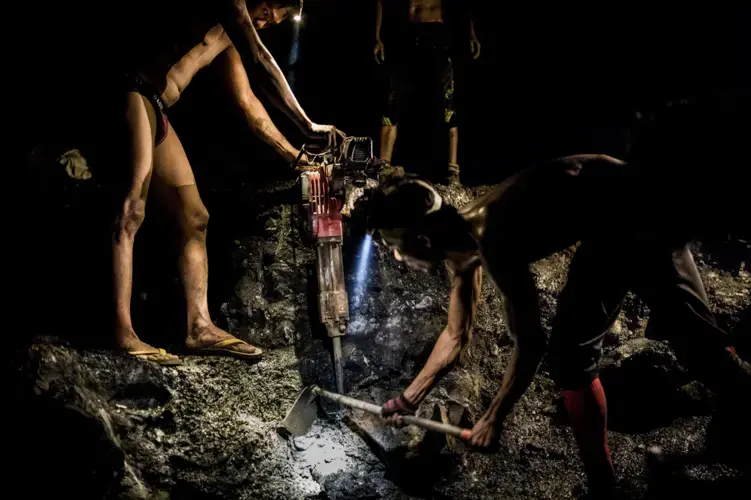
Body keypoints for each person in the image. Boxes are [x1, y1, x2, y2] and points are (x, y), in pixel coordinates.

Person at [368, 94, 750, 498]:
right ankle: (605, 484)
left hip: (641, 209)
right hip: (606, 228)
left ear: (423, 237)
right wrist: (408, 400)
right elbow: (456, 337)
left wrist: (494, 418)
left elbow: (530, 344)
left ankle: (734, 416)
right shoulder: (459, 250)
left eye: (397, 245)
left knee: (696, 346)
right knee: (574, 359)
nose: (396, 255)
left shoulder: (492, 236)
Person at [108, 0, 344, 365]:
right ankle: (124, 334)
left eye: (275, 23)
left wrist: (297, 157)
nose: (265, 23)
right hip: (133, 90)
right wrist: (308, 124)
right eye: (267, 12)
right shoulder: (229, 5)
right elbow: (262, 61)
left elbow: (249, 104)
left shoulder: (228, 40)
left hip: (156, 106)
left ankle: (199, 326)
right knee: (132, 208)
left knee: (194, 216)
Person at [374, 0, 480, 184]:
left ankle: (453, 170)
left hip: (436, 34)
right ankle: (383, 166)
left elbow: (467, 5)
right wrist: (377, 37)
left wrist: (472, 34)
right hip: (408, 33)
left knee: (448, 101)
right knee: (393, 99)